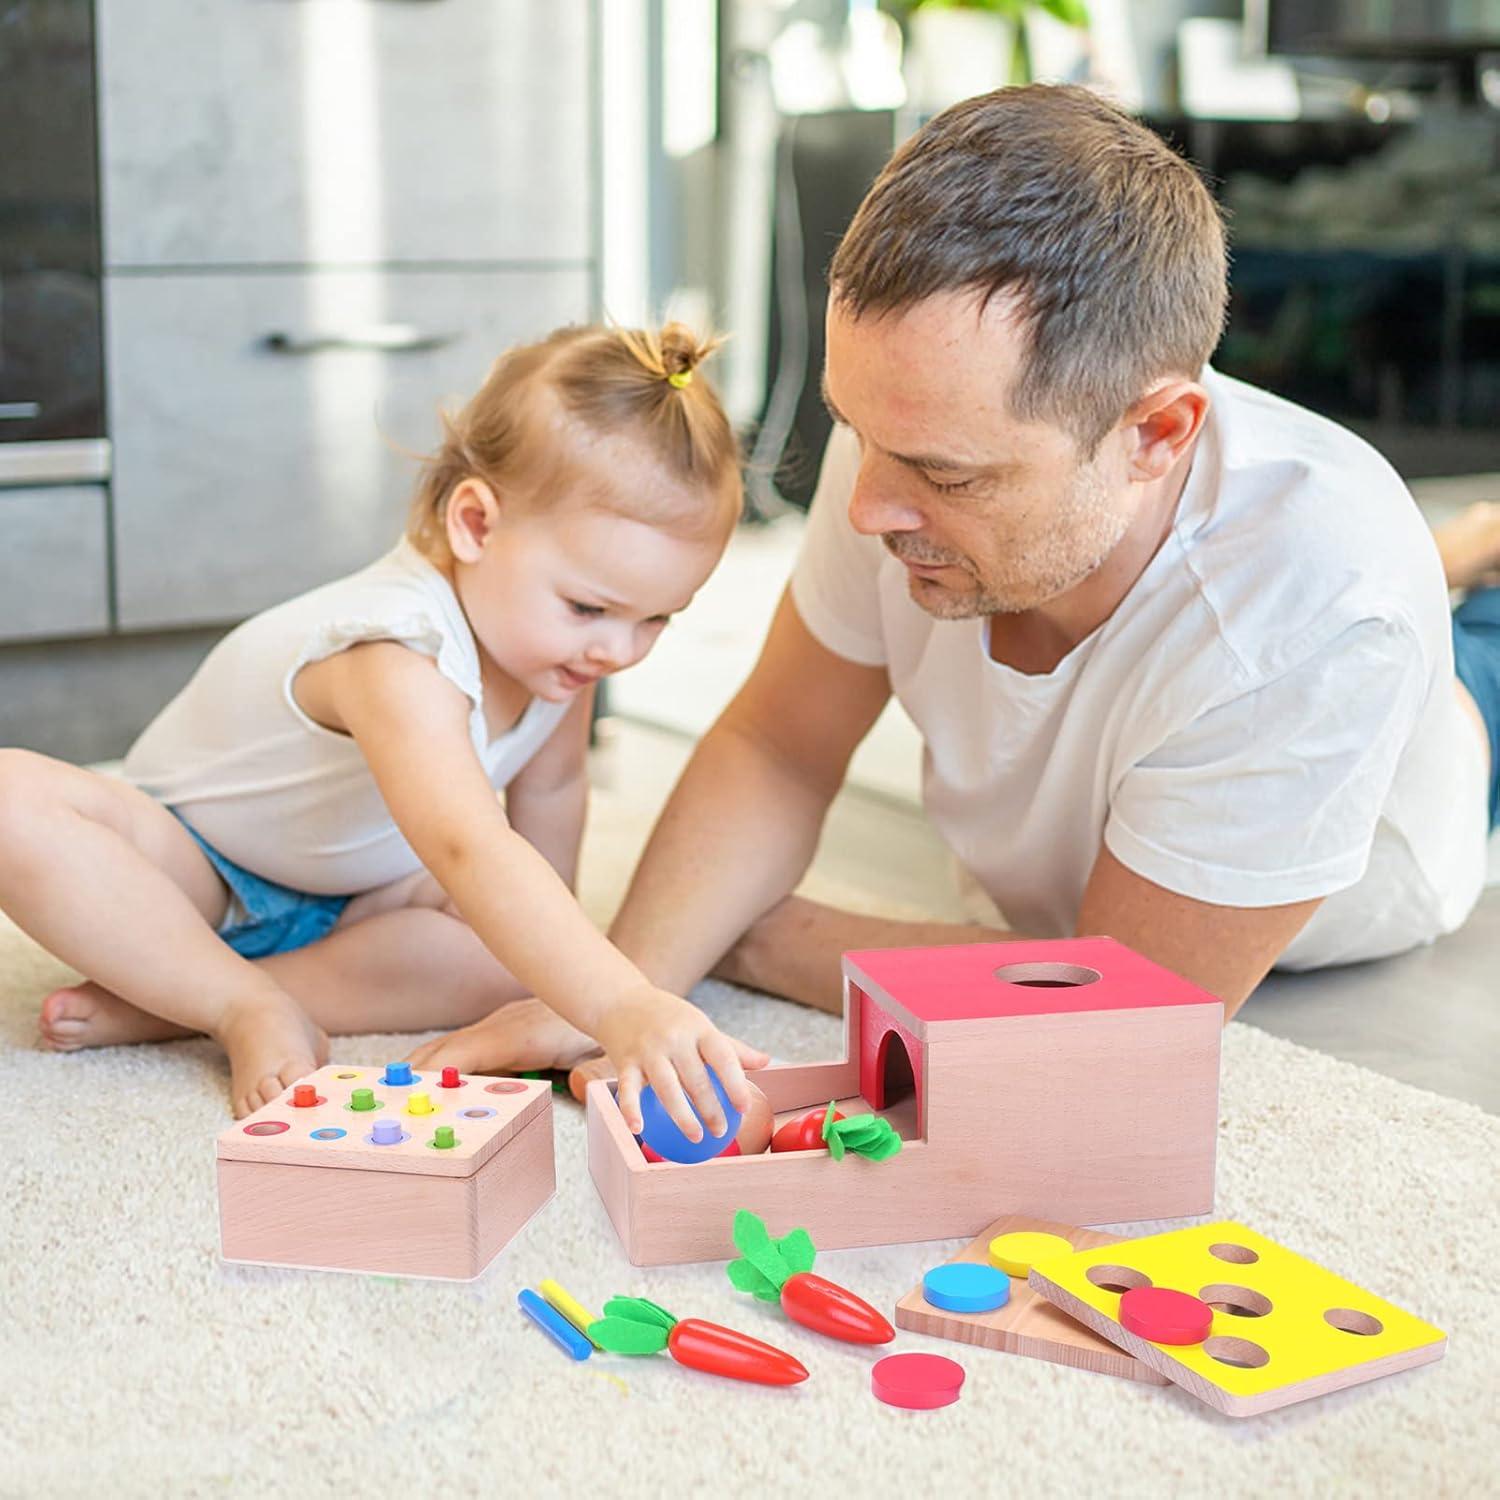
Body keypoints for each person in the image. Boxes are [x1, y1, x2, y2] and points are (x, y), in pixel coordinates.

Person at [410, 85, 1500, 1080]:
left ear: (1155, 434)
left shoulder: (1322, 605)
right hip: (1213, 670)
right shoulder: (902, 440)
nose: (865, 507)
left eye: (945, 475)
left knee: (1463, 644)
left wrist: (756, 932)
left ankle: (1462, 571)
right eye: (856, 432)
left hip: (1422, 793)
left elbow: (1110, 1018)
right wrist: (625, 989)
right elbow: (779, 748)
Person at [1, 323, 768, 1128]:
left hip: (357, 893)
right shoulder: (398, 648)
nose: (618, 648)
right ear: (476, 524)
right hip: (193, 872)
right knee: (16, 801)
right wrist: (621, 1003)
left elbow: (554, 797)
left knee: (515, 959)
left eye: (658, 619)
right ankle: (234, 1002)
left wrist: (567, 980)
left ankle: (172, 998)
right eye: (589, 607)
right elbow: (468, 846)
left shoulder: (562, 658)